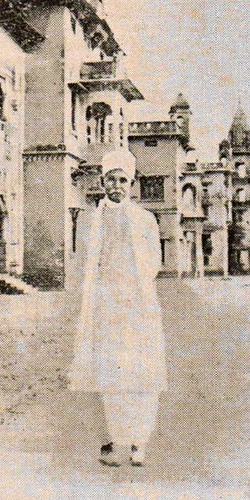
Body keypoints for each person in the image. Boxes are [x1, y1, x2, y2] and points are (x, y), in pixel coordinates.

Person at [69, 148, 167, 467]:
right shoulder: (89, 220)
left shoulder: (145, 220)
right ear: (101, 181)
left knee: (140, 371)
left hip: (137, 307)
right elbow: (85, 262)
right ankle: (109, 441)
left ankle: (139, 441)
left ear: (132, 182)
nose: (116, 186)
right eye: (110, 179)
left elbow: (153, 262)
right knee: (105, 371)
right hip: (102, 307)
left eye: (122, 180)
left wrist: (132, 292)